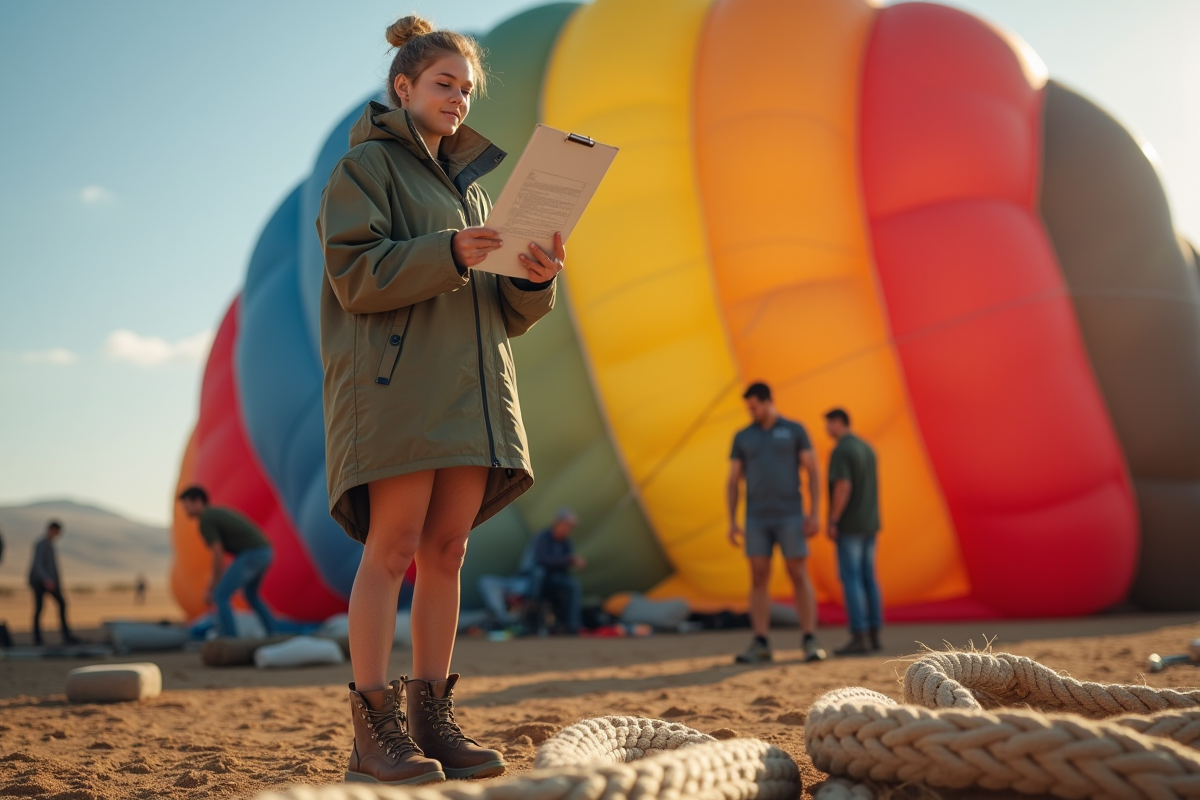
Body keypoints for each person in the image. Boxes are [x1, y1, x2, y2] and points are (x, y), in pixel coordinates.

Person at [316, 15, 560, 787]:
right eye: (443, 84)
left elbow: (499, 311)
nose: (458, 97)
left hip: (472, 388)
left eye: (466, 88)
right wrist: (449, 249)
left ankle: (432, 717)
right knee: (391, 548)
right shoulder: (366, 171)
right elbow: (356, 274)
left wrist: (534, 277)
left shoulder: (476, 186)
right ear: (404, 88)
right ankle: (372, 729)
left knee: (447, 553)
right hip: (397, 390)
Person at [727, 382, 826, 664]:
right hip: (756, 517)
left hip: (790, 515)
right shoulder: (743, 436)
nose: (751, 412)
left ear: (768, 401)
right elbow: (733, 481)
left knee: (797, 572)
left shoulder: (795, 430)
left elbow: (814, 472)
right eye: (748, 407)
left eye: (755, 406)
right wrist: (733, 521)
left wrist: (815, 513)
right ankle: (760, 641)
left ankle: (809, 638)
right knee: (758, 575)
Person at [178, 486, 278, 639]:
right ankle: (273, 634)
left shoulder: (206, 519)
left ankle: (231, 639)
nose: (185, 510)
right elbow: (222, 556)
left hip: (253, 553)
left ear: (198, 502)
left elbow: (217, 554)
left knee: (221, 594)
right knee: (251, 595)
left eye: (187, 505)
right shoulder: (214, 513)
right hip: (265, 552)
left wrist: (212, 587)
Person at [824, 408, 883, 656]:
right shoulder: (867, 447)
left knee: (852, 579)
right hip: (870, 523)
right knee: (868, 577)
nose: (827, 430)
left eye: (828, 425)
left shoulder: (842, 450)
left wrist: (833, 518)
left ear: (838, 423)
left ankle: (858, 635)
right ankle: (874, 633)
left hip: (851, 525)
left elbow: (843, 486)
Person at [532, 508, 585, 635]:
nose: (567, 529)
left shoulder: (567, 542)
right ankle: (531, 615)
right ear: (557, 523)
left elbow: (566, 566)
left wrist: (573, 562)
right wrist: (569, 560)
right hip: (540, 580)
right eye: (566, 525)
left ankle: (572, 626)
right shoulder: (543, 537)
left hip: (558, 579)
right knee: (539, 575)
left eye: (570, 527)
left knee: (573, 585)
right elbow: (542, 560)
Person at [28, 520, 78, 646]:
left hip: (50, 582)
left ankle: (66, 636)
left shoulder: (49, 545)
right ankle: (37, 639)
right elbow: (38, 565)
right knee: (39, 608)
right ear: (52, 530)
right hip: (40, 582)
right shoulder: (41, 544)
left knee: (61, 604)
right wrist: (46, 579)